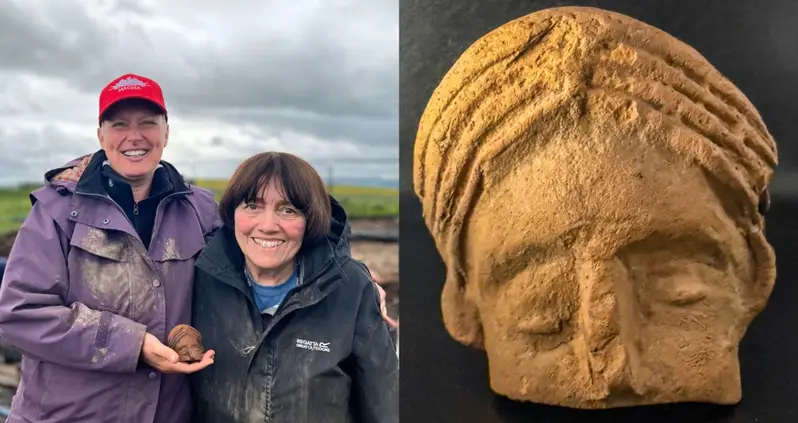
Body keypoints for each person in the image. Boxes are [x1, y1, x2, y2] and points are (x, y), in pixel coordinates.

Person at [0, 73, 395, 422]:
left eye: (148, 123)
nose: (134, 136)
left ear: (166, 132)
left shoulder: (201, 209)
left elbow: (271, 235)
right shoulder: (56, 211)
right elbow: (19, 312)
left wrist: (348, 279)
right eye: (119, 124)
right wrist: (131, 344)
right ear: (101, 135)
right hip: (68, 414)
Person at [189, 152, 399, 422]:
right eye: (252, 205)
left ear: (310, 220)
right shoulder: (200, 278)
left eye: (288, 210)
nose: (267, 226)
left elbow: (384, 406)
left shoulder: (350, 290)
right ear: (232, 214)